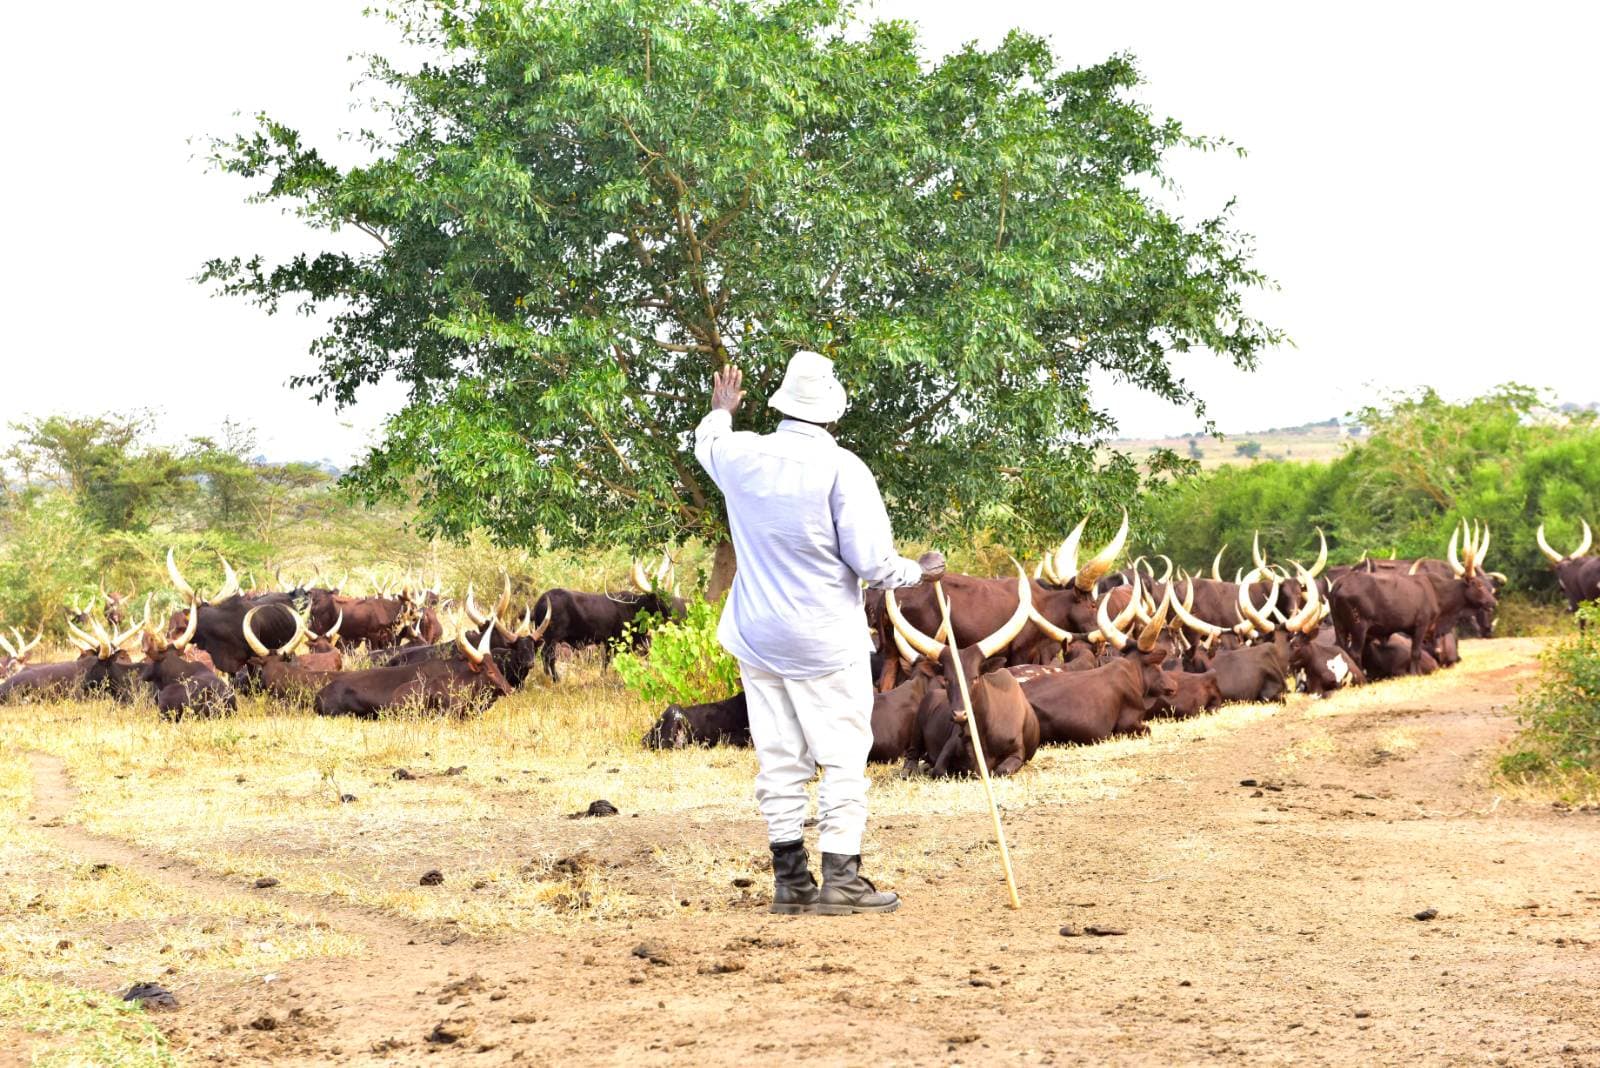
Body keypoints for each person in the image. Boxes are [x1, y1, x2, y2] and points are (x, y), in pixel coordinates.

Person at [693, 351, 944, 915]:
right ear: (831, 413)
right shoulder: (843, 469)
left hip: (756, 636)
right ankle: (842, 880)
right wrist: (919, 570)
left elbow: (706, 443)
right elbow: (875, 564)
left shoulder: (740, 453)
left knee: (779, 759)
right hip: (824, 640)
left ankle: (791, 883)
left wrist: (722, 410)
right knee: (843, 758)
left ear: (782, 403)